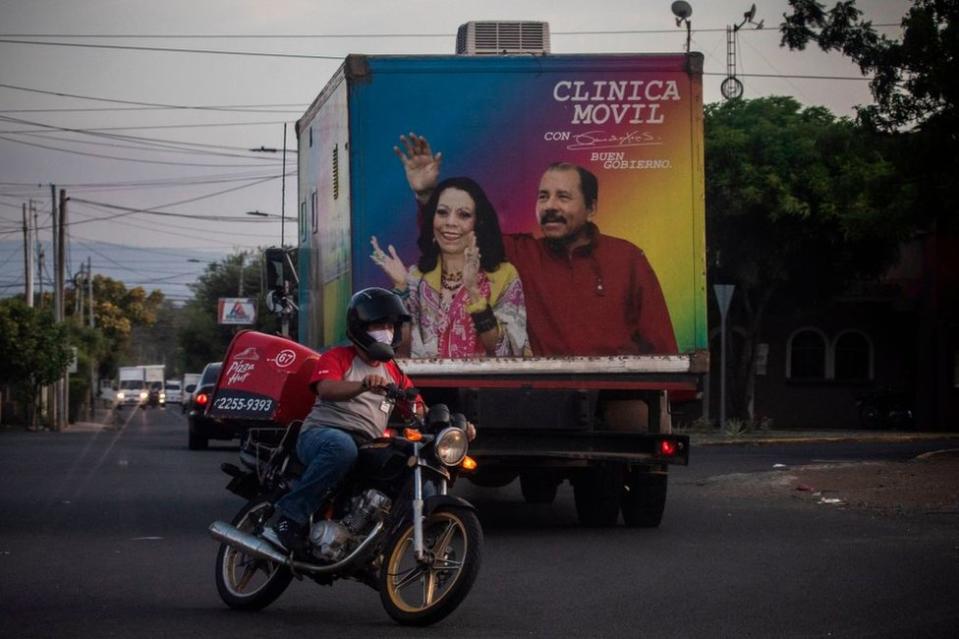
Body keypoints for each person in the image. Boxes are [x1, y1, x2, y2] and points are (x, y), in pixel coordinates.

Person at [394, 133, 678, 357]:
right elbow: (456, 236)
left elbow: (658, 337)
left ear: (591, 207)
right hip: (540, 392)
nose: (550, 206)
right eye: (543, 197)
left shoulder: (626, 258)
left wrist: (675, 398)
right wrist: (426, 195)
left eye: (563, 197)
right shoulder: (523, 255)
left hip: (614, 393)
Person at [271, 287, 424, 552]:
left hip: (367, 443)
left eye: (390, 325)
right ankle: (289, 519)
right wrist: (362, 385)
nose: (386, 331)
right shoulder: (338, 357)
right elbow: (326, 389)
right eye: (378, 324)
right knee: (342, 448)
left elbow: (416, 407)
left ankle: (369, 543)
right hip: (321, 433)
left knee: (401, 465)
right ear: (361, 327)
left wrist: (453, 425)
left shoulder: (394, 372)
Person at [370, 176, 531, 358]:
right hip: (429, 386)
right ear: (432, 219)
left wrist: (474, 293)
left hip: (485, 386)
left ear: (478, 223)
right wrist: (400, 288)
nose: (450, 222)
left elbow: (510, 353)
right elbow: (402, 352)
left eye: (463, 215)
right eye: (443, 212)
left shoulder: (503, 275)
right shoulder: (417, 277)